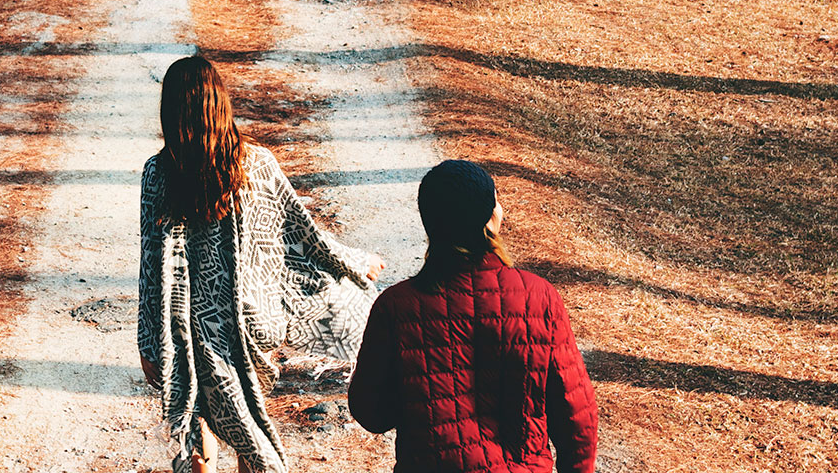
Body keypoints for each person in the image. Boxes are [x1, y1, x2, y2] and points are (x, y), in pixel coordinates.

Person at [137, 55, 384, 473]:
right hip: (255, 320)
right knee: (247, 412)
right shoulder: (257, 164)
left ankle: (200, 462)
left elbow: (151, 266)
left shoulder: (158, 173)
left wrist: (149, 341)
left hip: (189, 326)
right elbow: (303, 233)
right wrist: (355, 261)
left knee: (200, 405)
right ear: (221, 104)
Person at [348, 159, 598, 473]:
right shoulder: (539, 298)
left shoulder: (395, 307)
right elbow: (577, 414)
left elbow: (372, 414)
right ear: (491, 219)